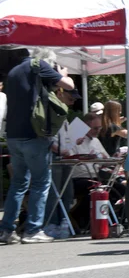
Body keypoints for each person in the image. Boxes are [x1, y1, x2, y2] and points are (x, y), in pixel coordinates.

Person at [0, 48, 75, 244]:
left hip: (14, 136)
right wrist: (62, 74)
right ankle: (33, 230)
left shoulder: (13, 72)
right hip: (34, 135)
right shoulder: (38, 65)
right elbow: (68, 85)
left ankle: (6, 230)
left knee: (18, 184)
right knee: (41, 183)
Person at [44, 88, 83, 239]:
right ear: (60, 93)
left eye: (74, 99)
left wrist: (74, 142)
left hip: (65, 157)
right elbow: (48, 136)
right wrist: (58, 150)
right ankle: (51, 224)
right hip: (55, 156)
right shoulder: (51, 110)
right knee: (54, 194)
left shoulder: (64, 114)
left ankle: (63, 222)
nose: (72, 102)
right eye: (70, 98)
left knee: (67, 193)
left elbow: (65, 137)